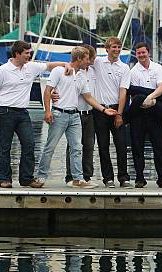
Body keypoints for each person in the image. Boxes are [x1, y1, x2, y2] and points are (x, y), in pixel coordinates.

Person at [0, 40, 70, 188]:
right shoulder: (2, 70)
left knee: (29, 144)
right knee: (5, 146)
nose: (29, 55)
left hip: (23, 113)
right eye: (26, 53)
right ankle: (4, 179)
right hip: (4, 111)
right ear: (17, 53)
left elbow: (50, 65)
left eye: (29, 52)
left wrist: (66, 65)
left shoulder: (30, 67)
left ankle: (26, 178)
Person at [38, 46, 117, 188]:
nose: (89, 62)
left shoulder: (81, 76)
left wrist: (104, 110)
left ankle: (78, 179)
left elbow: (88, 97)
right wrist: (48, 111)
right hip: (59, 113)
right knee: (50, 146)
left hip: (74, 116)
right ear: (79, 59)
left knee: (77, 148)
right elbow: (48, 91)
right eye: (87, 59)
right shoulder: (59, 71)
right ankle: (41, 177)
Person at [128, 42, 162, 189]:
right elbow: (134, 93)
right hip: (139, 114)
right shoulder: (133, 71)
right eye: (138, 53)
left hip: (155, 113)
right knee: (137, 147)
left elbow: (161, 88)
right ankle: (140, 178)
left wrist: (150, 98)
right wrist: (152, 98)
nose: (141, 55)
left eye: (143, 52)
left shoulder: (158, 68)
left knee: (159, 147)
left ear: (149, 53)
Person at [92, 37, 132, 188]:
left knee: (121, 145)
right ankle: (108, 178)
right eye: (114, 47)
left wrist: (119, 114)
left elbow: (123, 92)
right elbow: (82, 64)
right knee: (103, 145)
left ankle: (124, 177)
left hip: (116, 108)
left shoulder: (124, 68)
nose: (116, 50)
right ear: (106, 48)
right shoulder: (98, 63)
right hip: (100, 109)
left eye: (119, 47)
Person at [65, 44, 97, 185]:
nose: (90, 61)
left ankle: (87, 176)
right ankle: (70, 176)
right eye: (88, 59)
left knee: (89, 145)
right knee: (74, 145)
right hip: (76, 112)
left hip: (90, 113)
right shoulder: (72, 71)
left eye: (91, 58)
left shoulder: (94, 71)